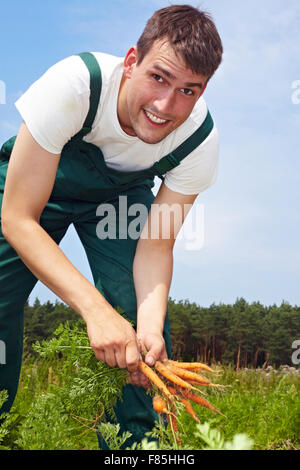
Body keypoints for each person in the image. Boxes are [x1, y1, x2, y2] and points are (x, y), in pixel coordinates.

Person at [0, 4, 223, 447]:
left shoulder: (199, 142)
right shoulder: (75, 85)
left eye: (188, 91)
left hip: (119, 198)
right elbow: (17, 218)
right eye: (158, 77)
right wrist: (95, 313)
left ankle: (133, 447)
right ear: (130, 61)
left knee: (134, 314)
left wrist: (150, 327)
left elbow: (156, 248)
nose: (166, 105)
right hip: (36, 186)